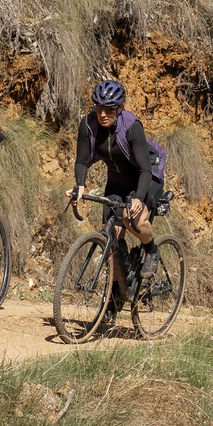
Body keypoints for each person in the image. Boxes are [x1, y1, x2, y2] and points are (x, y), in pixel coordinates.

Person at [66, 79, 161, 282]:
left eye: (109, 110)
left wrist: (138, 198)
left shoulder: (131, 126)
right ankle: (115, 296)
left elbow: (145, 169)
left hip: (146, 177)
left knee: (131, 219)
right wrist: (80, 186)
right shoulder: (88, 125)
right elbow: (81, 160)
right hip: (117, 182)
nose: (103, 114)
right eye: (99, 108)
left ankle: (152, 251)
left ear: (119, 108)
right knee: (112, 238)